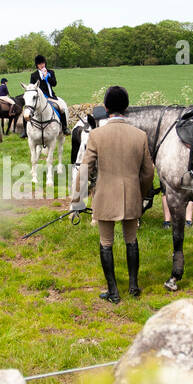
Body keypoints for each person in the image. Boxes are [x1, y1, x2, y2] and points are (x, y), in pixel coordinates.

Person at [73, 85, 155, 303]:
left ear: (106, 107)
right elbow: (148, 172)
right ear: (126, 108)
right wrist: (142, 193)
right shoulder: (140, 135)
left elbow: (85, 169)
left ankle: (113, 291)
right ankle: (134, 287)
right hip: (131, 196)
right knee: (131, 240)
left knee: (106, 242)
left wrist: (77, 200)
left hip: (105, 196)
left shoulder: (97, 135)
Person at [29, 55, 66, 130]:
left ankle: (64, 128)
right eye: (39, 64)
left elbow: (54, 84)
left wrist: (47, 76)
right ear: (37, 65)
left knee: (61, 108)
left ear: (45, 63)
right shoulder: (33, 75)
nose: (42, 65)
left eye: (43, 63)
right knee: (28, 110)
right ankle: (25, 131)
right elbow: (32, 88)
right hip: (39, 98)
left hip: (51, 96)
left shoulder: (51, 72)